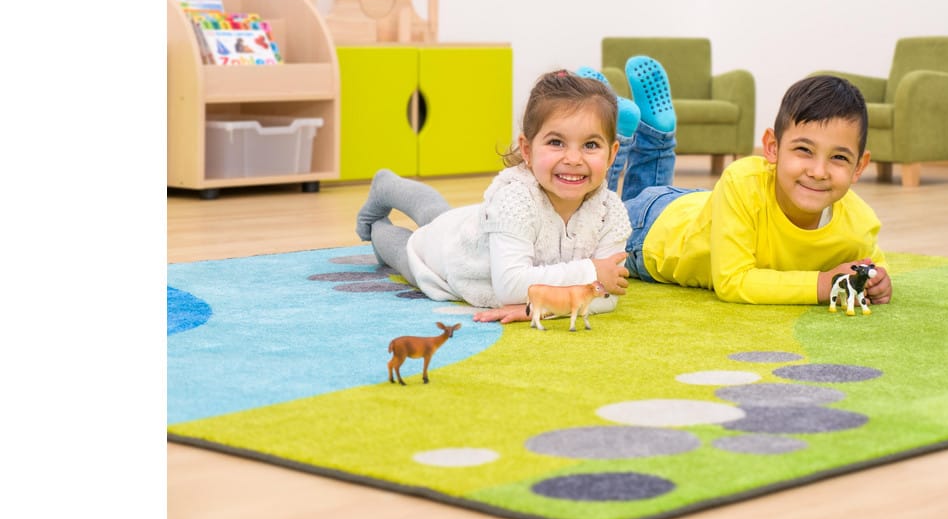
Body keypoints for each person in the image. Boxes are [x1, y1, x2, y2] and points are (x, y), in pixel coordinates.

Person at [589, 59, 893, 306]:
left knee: (634, 197)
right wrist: (823, 284)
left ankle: (653, 132)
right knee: (596, 220)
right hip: (653, 235)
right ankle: (614, 128)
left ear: (859, 166)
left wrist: (878, 281)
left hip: (701, 208)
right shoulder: (742, 179)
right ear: (772, 148)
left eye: (838, 158)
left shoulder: (859, 222)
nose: (818, 171)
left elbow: (873, 264)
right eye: (804, 150)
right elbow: (733, 281)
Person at [353, 70, 634, 324]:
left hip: (479, 229)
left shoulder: (611, 212)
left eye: (590, 145)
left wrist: (540, 309)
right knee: (407, 248)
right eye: (556, 142)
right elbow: (511, 286)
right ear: (527, 150)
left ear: (611, 154)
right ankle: (382, 203)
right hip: (451, 260)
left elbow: (609, 295)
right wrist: (592, 271)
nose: (573, 158)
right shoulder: (514, 200)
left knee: (436, 214)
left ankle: (387, 189)